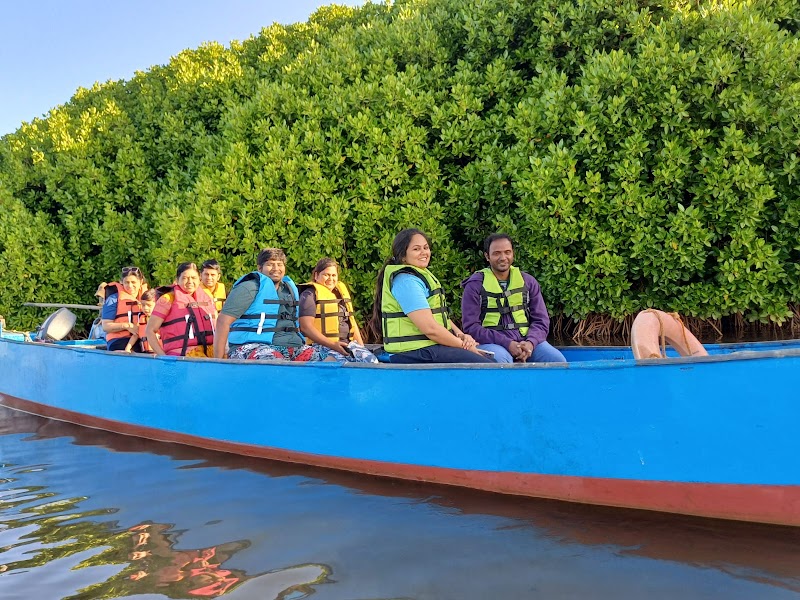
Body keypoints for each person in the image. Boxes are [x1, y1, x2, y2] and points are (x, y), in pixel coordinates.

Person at [370, 228, 493, 364]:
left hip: (428, 348)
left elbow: (437, 317)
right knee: (485, 365)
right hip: (413, 352)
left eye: (426, 247)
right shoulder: (406, 282)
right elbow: (430, 329)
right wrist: (464, 346)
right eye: (416, 249)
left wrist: (461, 335)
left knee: (489, 360)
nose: (424, 252)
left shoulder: (418, 275)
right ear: (403, 256)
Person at [460, 233, 566, 363]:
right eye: (497, 253)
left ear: (513, 254)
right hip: (492, 343)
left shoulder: (528, 281)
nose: (503, 258)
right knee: (502, 359)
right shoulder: (474, 285)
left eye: (507, 252)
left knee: (557, 360)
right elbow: (471, 327)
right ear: (487, 256)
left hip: (526, 342)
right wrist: (507, 343)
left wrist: (531, 343)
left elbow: (541, 321)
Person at [214, 248, 332, 361]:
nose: (276, 269)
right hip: (251, 346)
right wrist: (217, 362)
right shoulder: (249, 287)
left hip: (291, 346)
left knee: (332, 359)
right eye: (270, 264)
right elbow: (223, 322)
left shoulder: (289, 289)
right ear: (260, 268)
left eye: (280, 264)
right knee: (275, 361)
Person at [298, 258, 377, 363]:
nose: (330, 279)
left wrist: (361, 347)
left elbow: (352, 322)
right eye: (326, 275)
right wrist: (333, 345)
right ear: (316, 276)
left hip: (347, 344)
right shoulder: (309, 295)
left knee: (372, 362)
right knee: (340, 364)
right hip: (321, 346)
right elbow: (305, 327)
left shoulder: (340, 294)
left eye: (333, 275)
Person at [145, 262, 216, 358]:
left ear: (199, 279)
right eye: (185, 278)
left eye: (194, 278)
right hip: (181, 356)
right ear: (177, 280)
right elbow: (150, 330)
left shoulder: (207, 298)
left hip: (210, 354)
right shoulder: (167, 299)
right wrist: (163, 357)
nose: (190, 281)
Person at [101, 266, 145, 352]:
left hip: (142, 339)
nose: (130, 285)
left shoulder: (148, 299)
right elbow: (106, 326)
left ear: (141, 282)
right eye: (126, 282)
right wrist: (127, 326)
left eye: (133, 282)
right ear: (121, 282)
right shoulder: (113, 299)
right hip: (119, 339)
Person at [124, 288, 157, 353]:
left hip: (159, 353)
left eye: (149, 305)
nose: (145, 308)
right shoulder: (141, 318)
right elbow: (136, 334)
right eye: (143, 305)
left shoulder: (160, 320)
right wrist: (128, 348)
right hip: (146, 353)